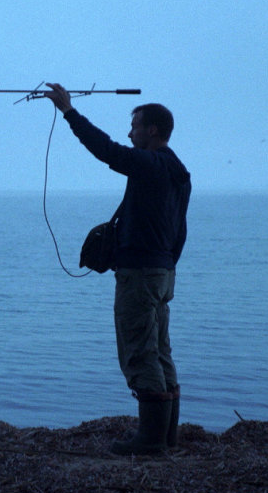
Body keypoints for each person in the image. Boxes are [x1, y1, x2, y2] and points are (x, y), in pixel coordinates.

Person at [43, 83, 191, 455]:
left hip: (141, 275)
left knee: (140, 352)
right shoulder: (178, 169)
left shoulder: (152, 165)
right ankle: (166, 438)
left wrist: (69, 113)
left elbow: (107, 151)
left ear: (152, 131)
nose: (130, 133)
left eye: (136, 127)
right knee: (159, 350)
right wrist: (168, 264)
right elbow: (180, 228)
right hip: (162, 272)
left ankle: (151, 441)